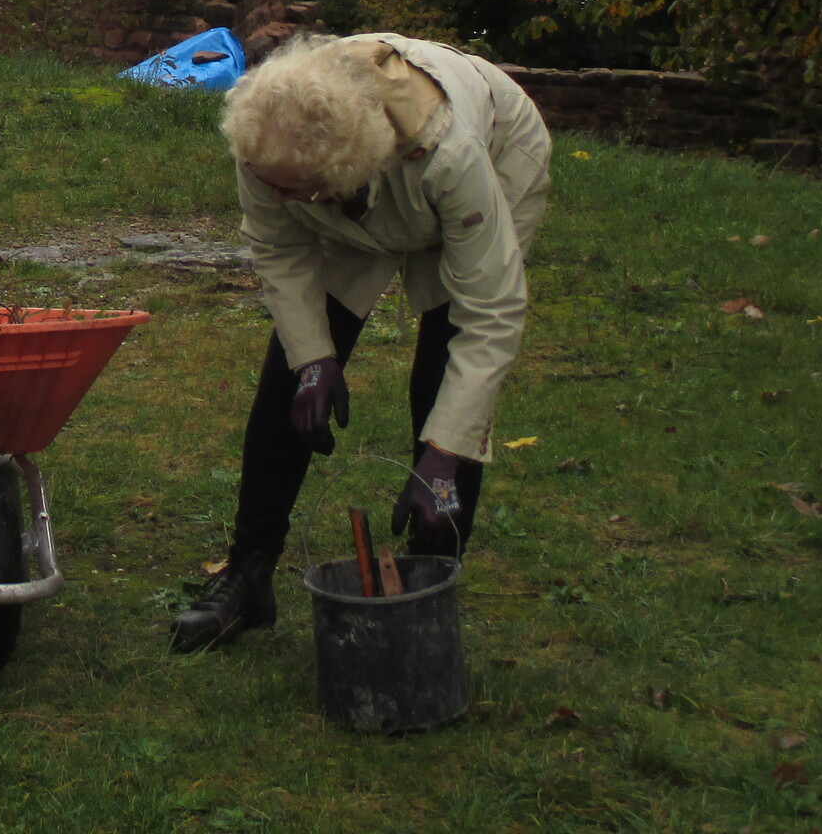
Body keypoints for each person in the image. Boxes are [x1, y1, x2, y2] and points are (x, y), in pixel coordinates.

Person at [170, 32, 550, 655]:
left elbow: (491, 313)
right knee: (289, 376)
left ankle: (428, 586)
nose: (277, 198)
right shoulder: (266, 139)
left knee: (445, 374)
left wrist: (444, 454)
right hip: (347, 190)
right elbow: (278, 248)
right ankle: (249, 574)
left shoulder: (450, 154)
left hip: (491, 156)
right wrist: (313, 361)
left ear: (339, 175)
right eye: (272, 186)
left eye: (291, 191)